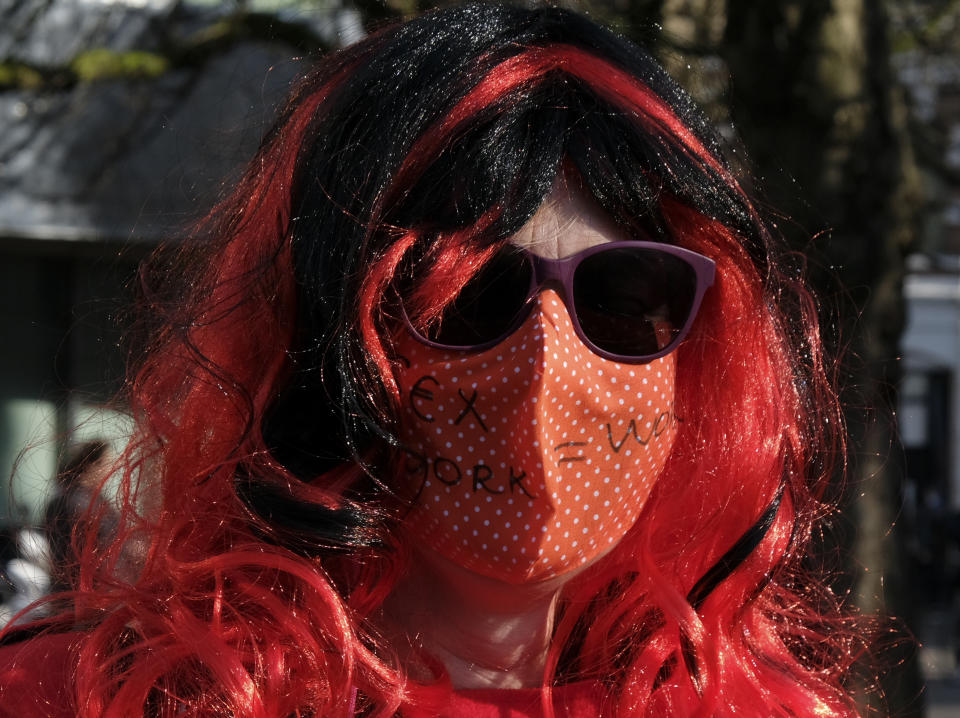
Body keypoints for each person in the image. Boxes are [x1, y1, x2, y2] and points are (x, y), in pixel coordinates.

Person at [0, 4, 868, 716]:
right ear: (328, 342)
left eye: (624, 298)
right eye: (473, 298)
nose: (547, 364)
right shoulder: (77, 698)